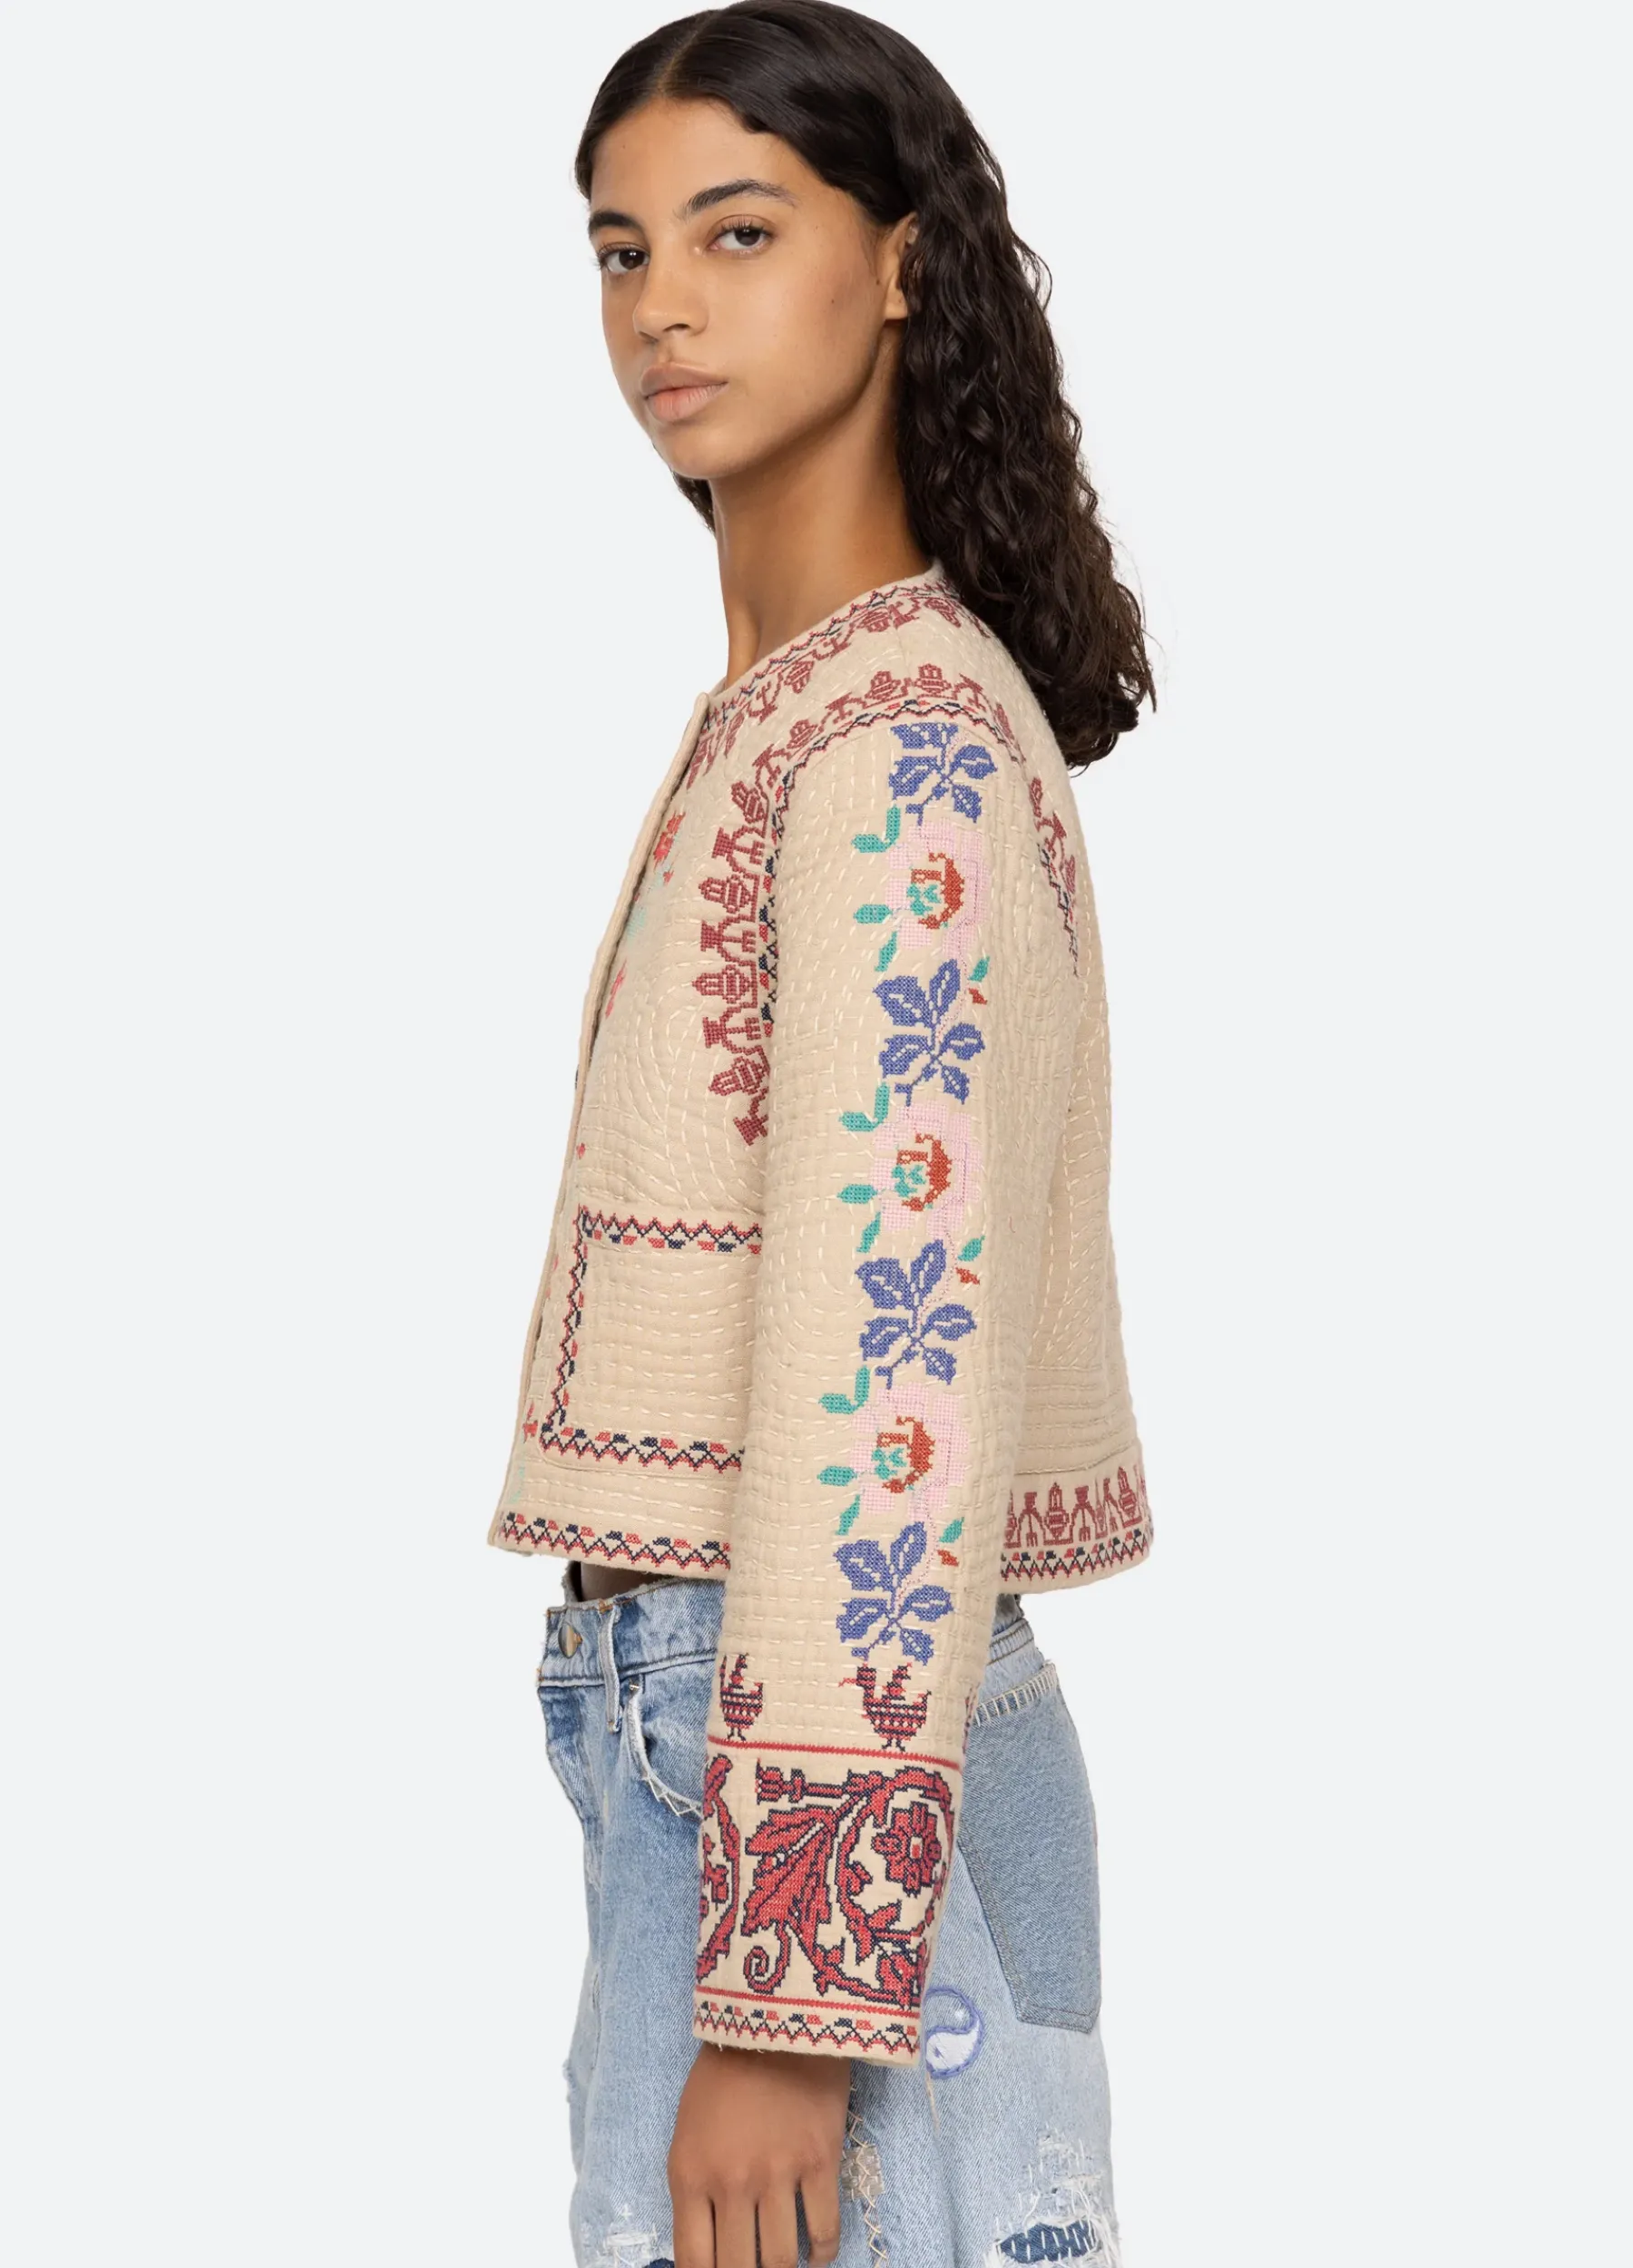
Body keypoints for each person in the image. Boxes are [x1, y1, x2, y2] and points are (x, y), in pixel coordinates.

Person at [488, 5, 1158, 2262]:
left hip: (805, 1782)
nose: (659, 306)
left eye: (739, 232)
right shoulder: (807, 713)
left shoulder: (899, 754)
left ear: (900, 263)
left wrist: (790, 1988)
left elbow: (893, 1371)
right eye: (620, 249)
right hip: (728, 1741)